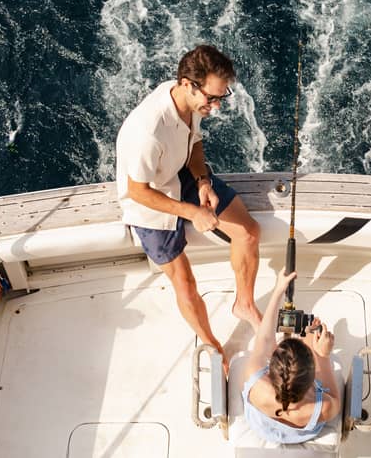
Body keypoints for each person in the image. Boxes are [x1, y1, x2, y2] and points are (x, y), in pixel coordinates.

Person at [116, 44, 262, 362]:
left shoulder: (189, 103)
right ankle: (213, 346)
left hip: (178, 173)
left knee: (248, 233)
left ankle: (245, 304)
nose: (216, 106)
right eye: (211, 98)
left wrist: (203, 182)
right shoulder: (148, 131)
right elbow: (137, 191)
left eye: (221, 98)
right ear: (187, 84)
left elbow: (194, 143)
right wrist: (192, 212)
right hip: (148, 202)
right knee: (184, 282)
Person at [241, 270, 341, 444]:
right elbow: (335, 399)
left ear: (271, 368)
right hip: (300, 430)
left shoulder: (255, 381)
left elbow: (264, 338)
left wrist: (278, 289)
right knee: (311, 336)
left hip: (262, 426)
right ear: (312, 377)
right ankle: (308, 339)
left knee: (299, 339)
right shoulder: (322, 407)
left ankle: (305, 340)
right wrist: (323, 355)